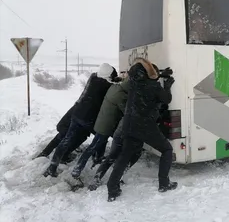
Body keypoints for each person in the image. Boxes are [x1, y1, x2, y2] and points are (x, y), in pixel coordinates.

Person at [106, 58, 176, 202]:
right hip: (144, 125)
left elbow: (148, 78)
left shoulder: (133, 83)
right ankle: (164, 183)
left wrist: (162, 75)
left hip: (129, 123)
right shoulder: (154, 86)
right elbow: (166, 99)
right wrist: (167, 85)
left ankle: (112, 188)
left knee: (125, 155)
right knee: (167, 149)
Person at [43, 63, 118, 177]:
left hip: (77, 114)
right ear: (108, 76)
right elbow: (114, 85)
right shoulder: (105, 86)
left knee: (66, 140)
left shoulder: (93, 77)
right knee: (101, 136)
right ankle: (97, 159)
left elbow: (109, 80)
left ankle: (52, 167)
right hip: (88, 119)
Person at [71, 76, 129, 178]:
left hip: (102, 121)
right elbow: (127, 111)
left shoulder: (115, 88)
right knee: (93, 146)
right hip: (106, 125)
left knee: (99, 143)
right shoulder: (121, 95)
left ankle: (97, 158)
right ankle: (78, 168)